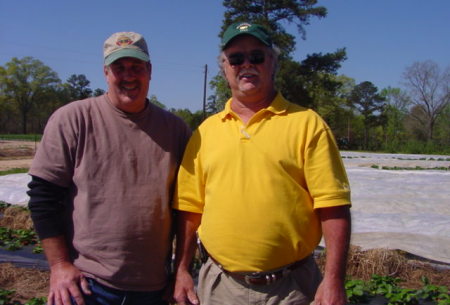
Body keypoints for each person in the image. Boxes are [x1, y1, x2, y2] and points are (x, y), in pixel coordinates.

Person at [172, 22, 351, 305]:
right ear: (224, 67)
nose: (246, 65)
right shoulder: (205, 132)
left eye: (257, 56)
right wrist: (181, 269)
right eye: (236, 58)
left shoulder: (307, 124)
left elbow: (334, 206)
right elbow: (189, 209)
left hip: (293, 289)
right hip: (221, 288)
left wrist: (333, 280)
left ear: (273, 63)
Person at [27, 31, 191, 305]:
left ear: (149, 71)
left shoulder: (175, 129)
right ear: (106, 72)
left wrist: (180, 271)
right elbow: (43, 197)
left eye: (136, 67)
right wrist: (59, 265)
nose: (128, 76)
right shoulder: (73, 119)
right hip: (86, 285)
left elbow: (186, 207)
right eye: (119, 67)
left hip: (154, 287)